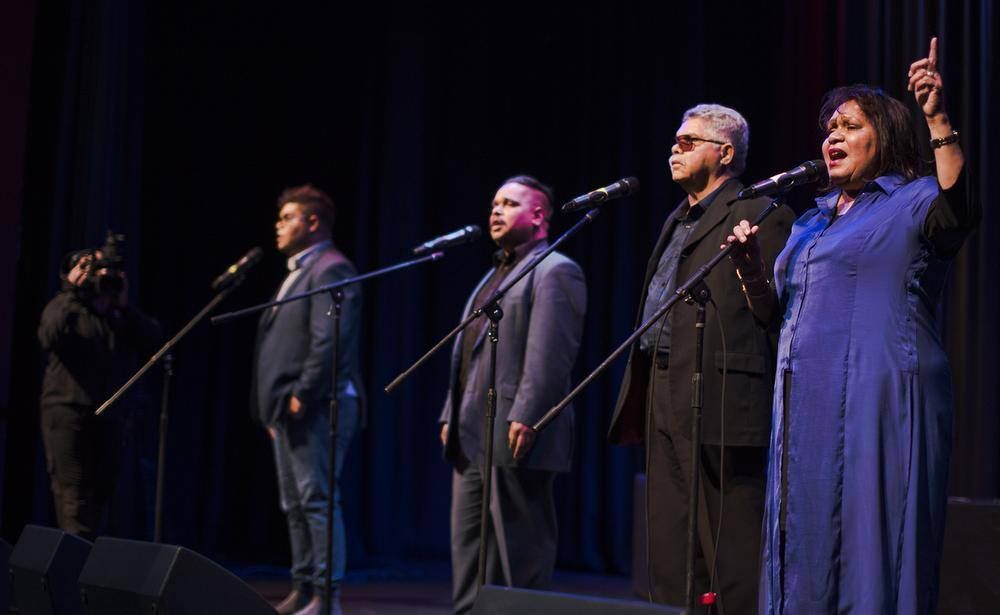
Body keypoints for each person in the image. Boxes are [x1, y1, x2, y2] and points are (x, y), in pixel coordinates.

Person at [727, 38, 978, 614]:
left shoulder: (912, 200)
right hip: (805, 403)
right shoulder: (809, 222)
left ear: (883, 139)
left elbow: (958, 208)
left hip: (880, 390)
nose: (831, 136)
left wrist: (936, 117)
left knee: (875, 541)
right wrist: (750, 271)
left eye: (848, 125)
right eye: (828, 128)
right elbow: (775, 313)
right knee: (804, 541)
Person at [608, 104, 795, 613]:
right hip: (663, 384)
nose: (675, 148)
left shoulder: (761, 212)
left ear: (725, 152)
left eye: (688, 141)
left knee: (727, 543)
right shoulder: (678, 217)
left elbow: (772, 312)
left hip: (721, 394)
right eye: (675, 140)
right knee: (669, 537)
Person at [438, 175, 586, 614]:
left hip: (516, 432)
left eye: (508, 203)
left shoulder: (556, 269)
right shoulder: (494, 273)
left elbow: (551, 354)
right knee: (469, 552)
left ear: (539, 215)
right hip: (470, 435)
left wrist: (529, 415)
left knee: (518, 555)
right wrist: (450, 413)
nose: (495, 211)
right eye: (493, 203)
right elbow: (467, 351)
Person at [251, 184, 363, 615]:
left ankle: (326, 597)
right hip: (286, 408)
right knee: (294, 502)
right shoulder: (298, 270)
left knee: (316, 498)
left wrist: (302, 394)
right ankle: (302, 587)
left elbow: (330, 339)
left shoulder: (331, 269)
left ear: (312, 222)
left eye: (287, 218)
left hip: (318, 405)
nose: (278, 227)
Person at [38, 244, 159, 541]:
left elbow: (154, 341)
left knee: (102, 497)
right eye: (85, 269)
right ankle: (74, 571)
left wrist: (122, 303)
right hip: (68, 413)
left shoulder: (116, 317)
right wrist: (71, 291)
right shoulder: (64, 307)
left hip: (111, 416)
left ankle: (88, 566)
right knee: (73, 495)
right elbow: (48, 336)